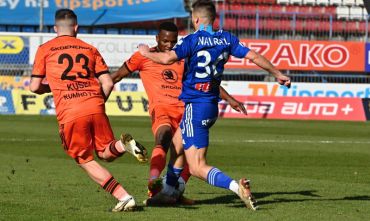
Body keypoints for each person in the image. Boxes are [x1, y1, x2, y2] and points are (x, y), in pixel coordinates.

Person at [138, 0, 291, 210]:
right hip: (211, 105)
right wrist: (278, 74)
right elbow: (253, 56)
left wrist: (146, 52)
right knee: (177, 144)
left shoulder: (192, 40)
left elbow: (167, 59)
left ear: (197, 19)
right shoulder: (227, 38)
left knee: (197, 166)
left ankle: (237, 187)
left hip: (195, 106)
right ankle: (167, 193)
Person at [112, 21, 247, 205]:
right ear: (157, 38)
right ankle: (153, 181)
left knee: (187, 158)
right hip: (162, 110)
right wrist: (99, 90)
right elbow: (117, 75)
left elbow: (204, 80)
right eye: (165, 41)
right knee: (164, 137)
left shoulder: (182, 56)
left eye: (173, 42)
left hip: (187, 110)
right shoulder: (143, 56)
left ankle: (173, 193)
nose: (169, 45)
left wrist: (229, 98)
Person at [29, 9, 148, 212]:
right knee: (105, 152)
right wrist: (97, 102)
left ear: (55, 28)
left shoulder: (45, 49)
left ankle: (124, 196)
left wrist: (51, 88)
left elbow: (34, 87)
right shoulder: (89, 48)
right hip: (95, 104)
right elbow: (108, 82)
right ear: (76, 28)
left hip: (71, 110)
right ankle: (123, 145)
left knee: (84, 159)